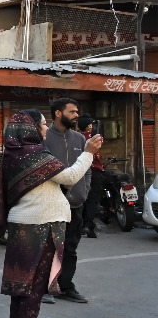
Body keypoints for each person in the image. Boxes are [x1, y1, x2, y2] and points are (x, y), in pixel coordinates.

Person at [0, 110, 99, 318]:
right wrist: (88, 153)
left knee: (21, 280)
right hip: (42, 224)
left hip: (23, 223)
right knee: (36, 282)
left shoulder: (12, 154)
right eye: (41, 125)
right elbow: (70, 176)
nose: (43, 130)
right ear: (29, 129)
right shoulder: (36, 153)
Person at [44, 99, 89, 303]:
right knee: (48, 247)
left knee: (70, 248)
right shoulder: (43, 138)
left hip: (75, 205)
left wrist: (84, 191)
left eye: (77, 111)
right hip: (51, 205)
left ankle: (65, 286)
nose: (77, 115)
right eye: (72, 111)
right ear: (58, 114)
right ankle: (44, 287)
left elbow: (87, 169)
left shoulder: (80, 139)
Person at [79, 114, 103, 238]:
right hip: (93, 171)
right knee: (92, 200)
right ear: (88, 126)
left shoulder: (76, 138)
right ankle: (88, 225)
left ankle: (80, 225)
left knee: (82, 198)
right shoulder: (94, 139)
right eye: (91, 124)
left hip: (80, 171)